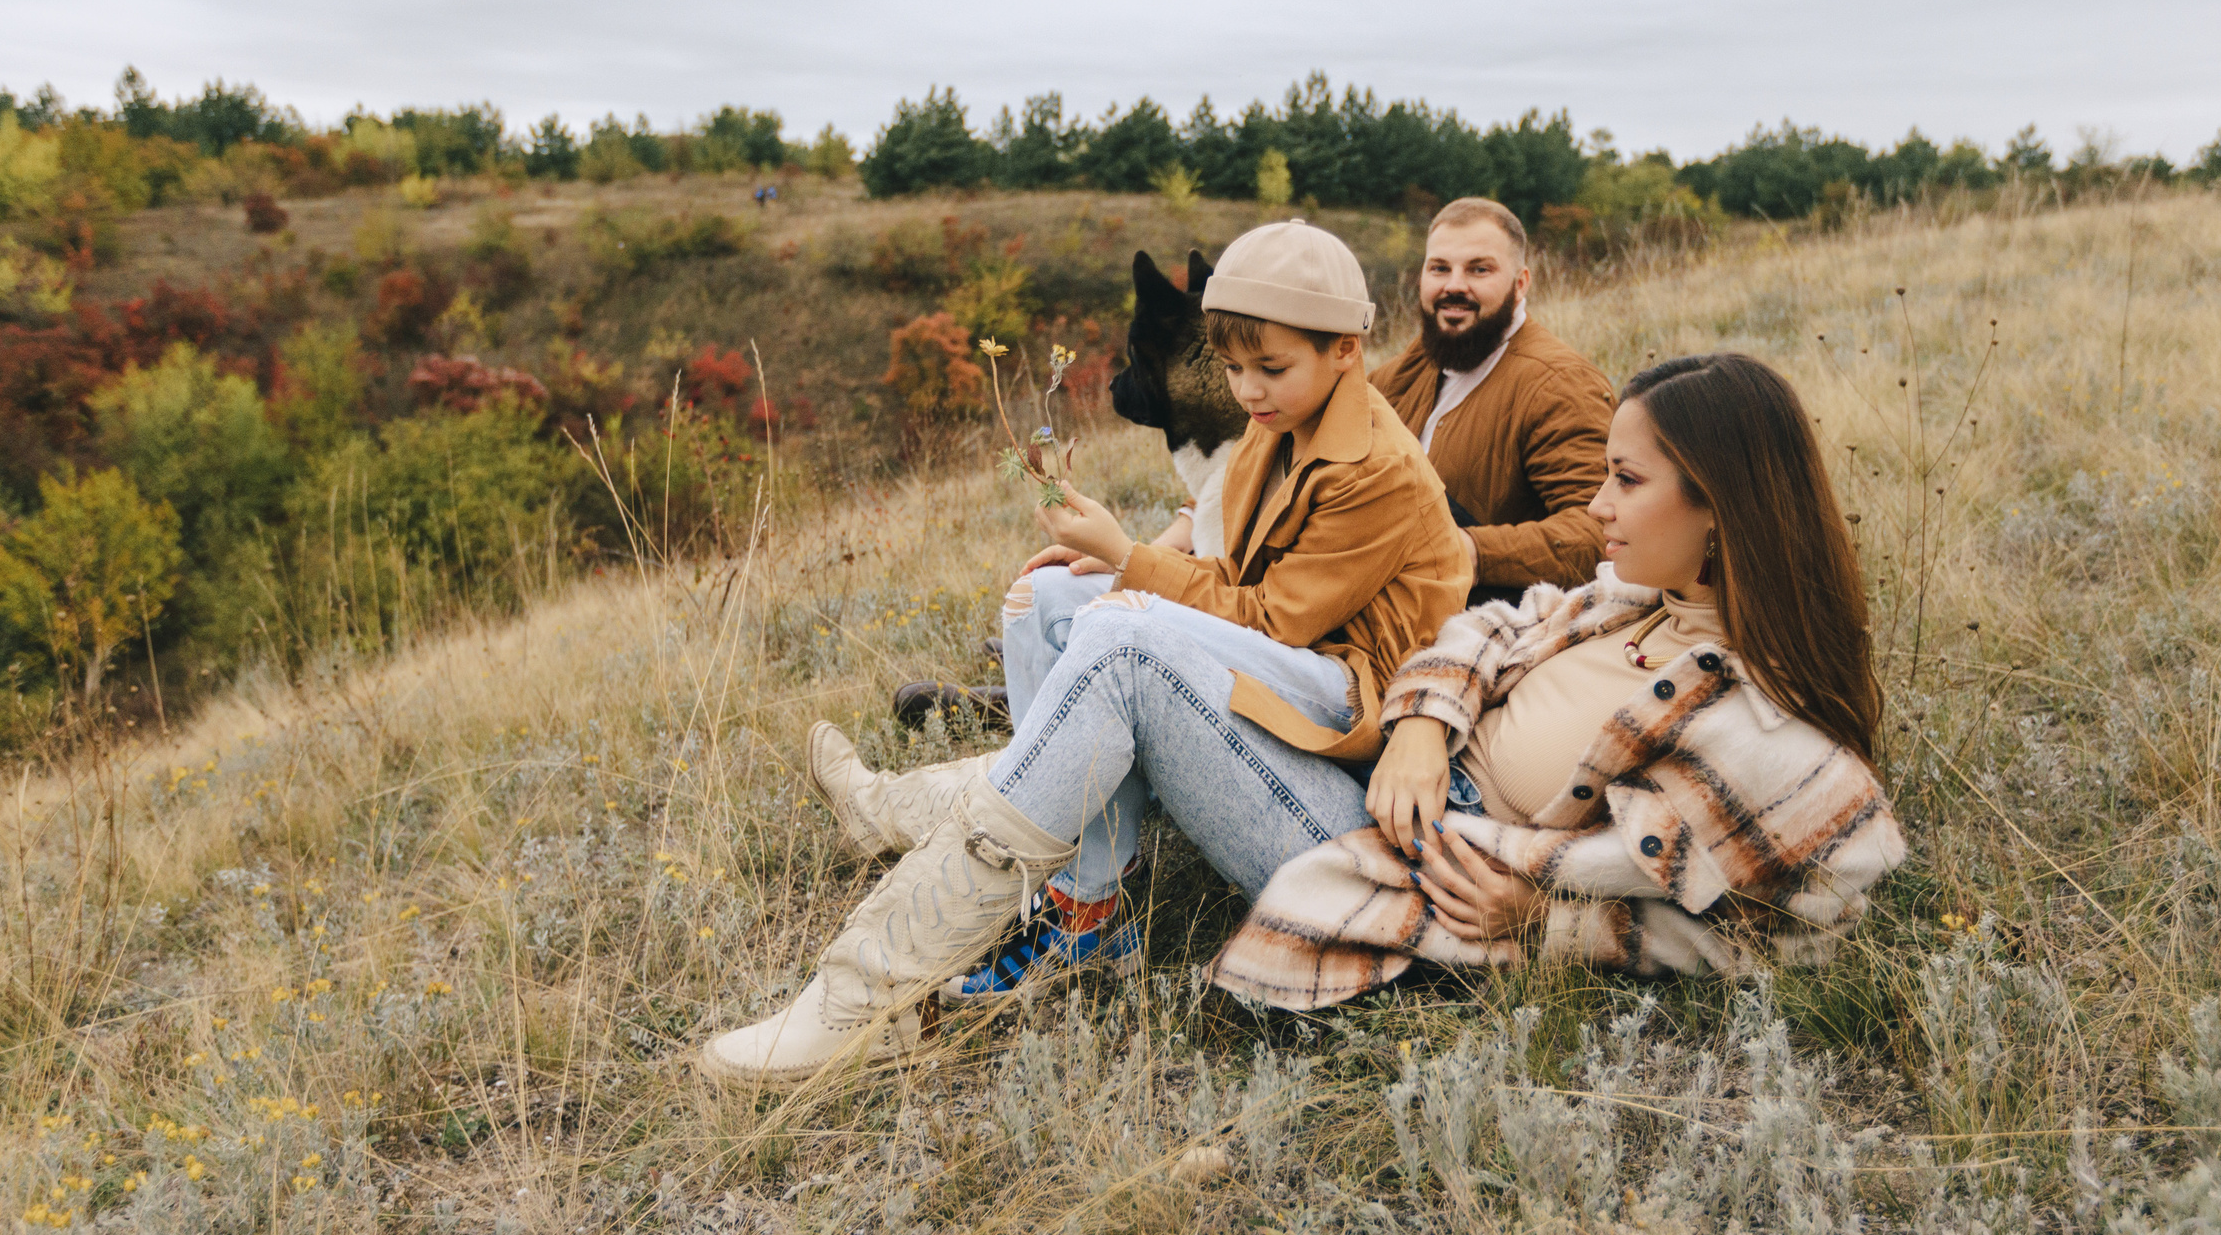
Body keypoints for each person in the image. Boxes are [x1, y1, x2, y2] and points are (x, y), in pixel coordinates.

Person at [700, 220, 1473, 1083]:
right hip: (1282, 677)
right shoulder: (1284, 420)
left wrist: (1130, 557)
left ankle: (863, 993)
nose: (1248, 390)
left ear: (1345, 349)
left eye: (1272, 367)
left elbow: (1277, 618)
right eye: (1232, 366)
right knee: (1049, 598)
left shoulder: (1379, 466)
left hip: (1346, 710)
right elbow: (1237, 573)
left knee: (1119, 624)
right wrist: (1114, 562)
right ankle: (1090, 907)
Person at [1208, 352, 1908, 1007]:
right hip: (1405, 752)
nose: (1599, 503)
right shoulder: (1627, 597)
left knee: (1137, 654)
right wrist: (1422, 725)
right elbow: (1487, 626)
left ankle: (1095, 925)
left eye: (1627, 481)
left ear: (1720, 508)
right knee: (1143, 625)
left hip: (1422, 851)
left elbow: (1801, 934)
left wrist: (1553, 922)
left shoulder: (1764, 725)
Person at [1369, 198, 1613, 598]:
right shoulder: (1404, 373)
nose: (1454, 286)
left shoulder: (1559, 384)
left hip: (1487, 615)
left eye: (1479, 269)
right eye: (1440, 268)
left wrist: (1471, 550)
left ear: (1520, 284)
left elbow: (1599, 533)